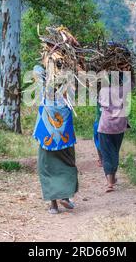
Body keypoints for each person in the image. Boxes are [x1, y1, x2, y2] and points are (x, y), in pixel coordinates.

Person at [32, 66, 78, 214]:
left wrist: (47, 67)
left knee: (47, 169)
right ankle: (65, 196)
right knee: (66, 166)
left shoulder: (44, 97)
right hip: (65, 139)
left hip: (48, 141)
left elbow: (37, 70)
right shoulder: (67, 101)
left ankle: (53, 205)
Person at [97, 72, 132, 192]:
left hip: (106, 125)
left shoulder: (103, 91)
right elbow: (133, 83)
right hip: (119, 125)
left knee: (106, 154)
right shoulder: (124, 89)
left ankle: (109, 182)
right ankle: (113, 178)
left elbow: (100, 103)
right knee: (115, 152)